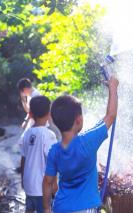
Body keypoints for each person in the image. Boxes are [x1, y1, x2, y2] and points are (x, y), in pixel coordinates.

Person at [43, 76, 119, 213]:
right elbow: (111, 116)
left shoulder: (54, 151)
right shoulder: (88, 141)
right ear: (78, 120)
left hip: (61, 208)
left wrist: (47, 208)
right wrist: (113, 88)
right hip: (85, 208)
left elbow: (47, 181)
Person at [20, 95, 58, 213]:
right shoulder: (49, 135)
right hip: (42, 188)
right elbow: (53, 161)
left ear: (30, 114)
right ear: (49, 113)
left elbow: (23, 158)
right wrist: (55, 183)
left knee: (29, 210)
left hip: (29, 185)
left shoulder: (27, 133)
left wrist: (23, 179)